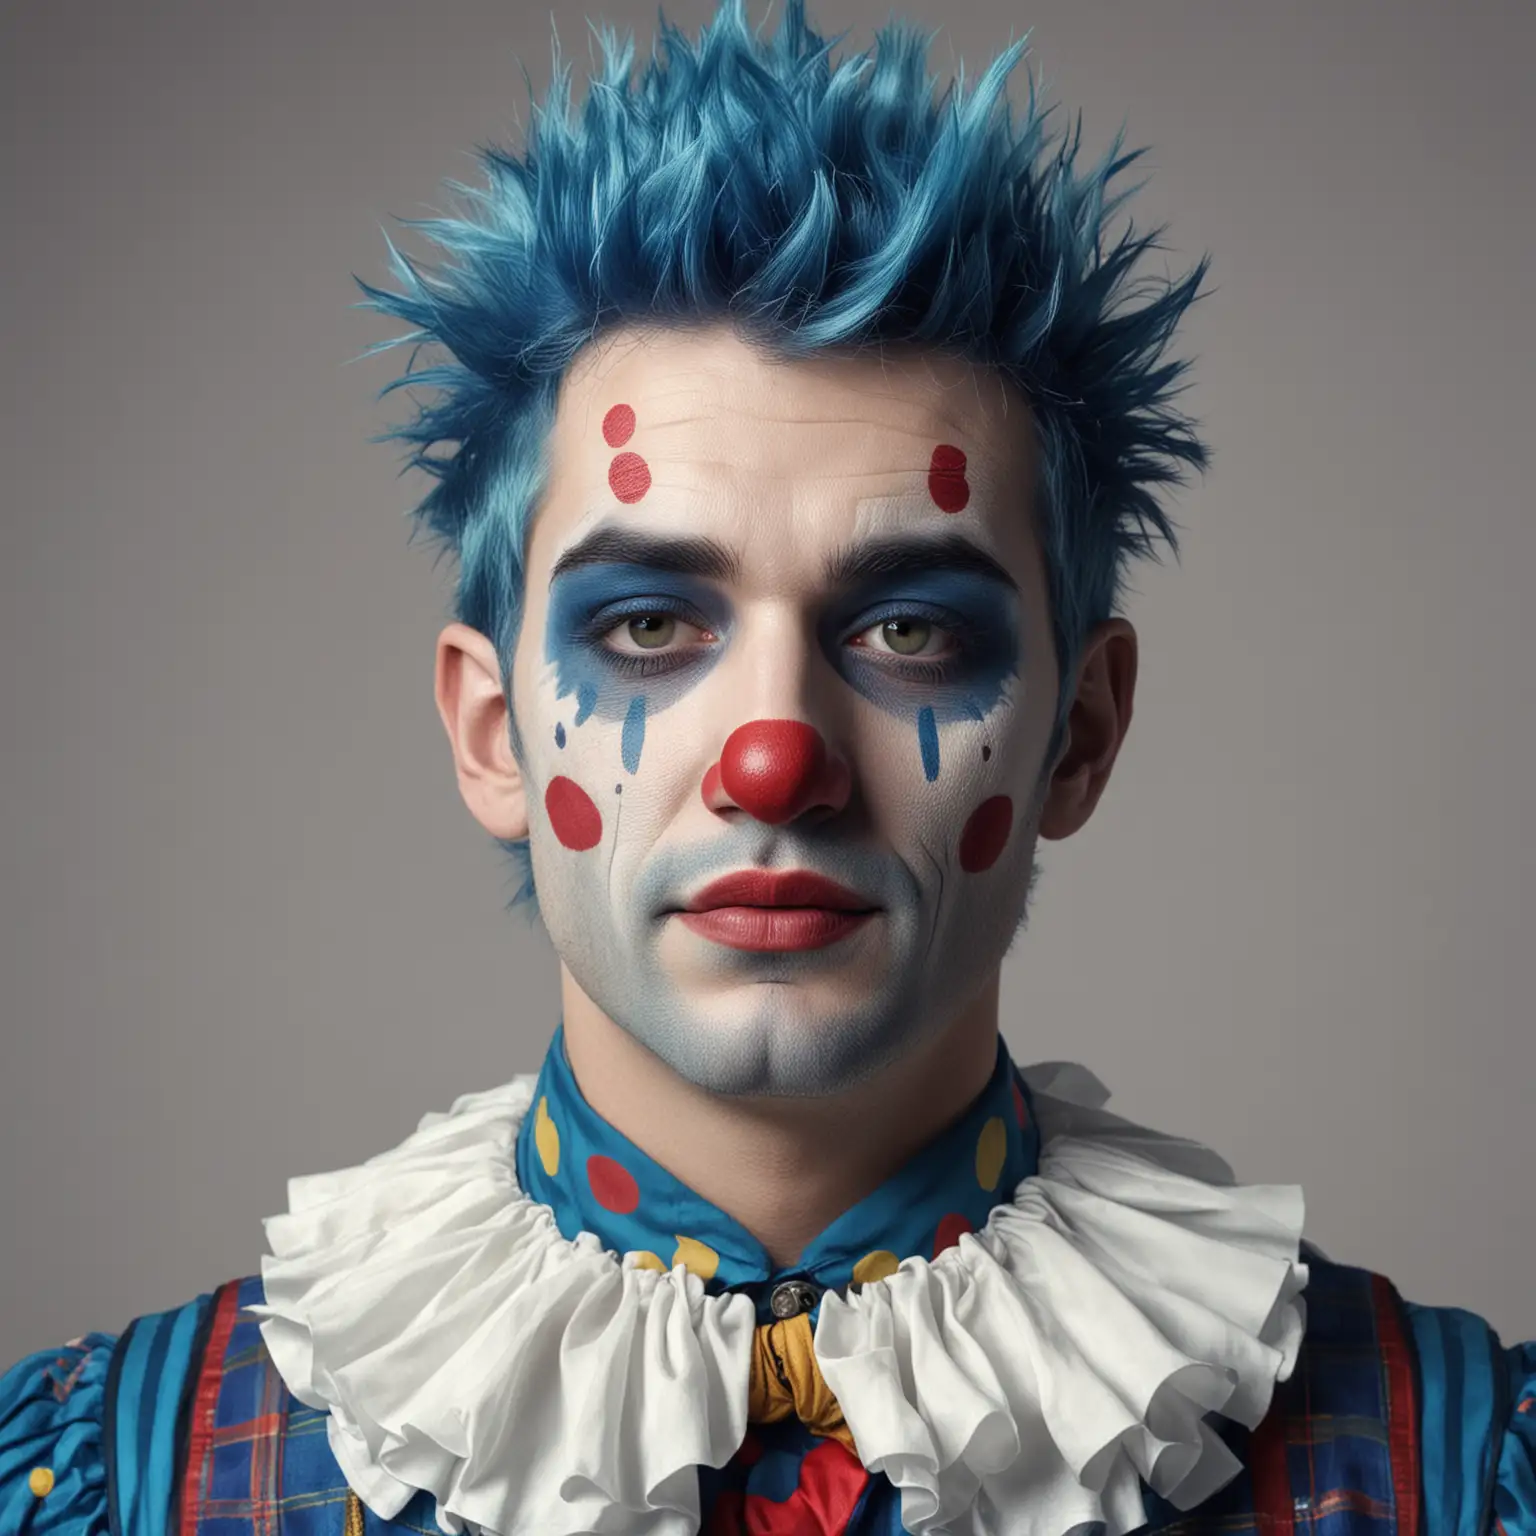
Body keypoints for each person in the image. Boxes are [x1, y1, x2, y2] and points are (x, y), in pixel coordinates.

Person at [2, 3, 1531, 1533]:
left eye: (914, 628)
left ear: (1081, 732)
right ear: (491, 734)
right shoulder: (122, 1477)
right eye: (653, 622)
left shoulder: (1445, 1470)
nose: (775, 760)